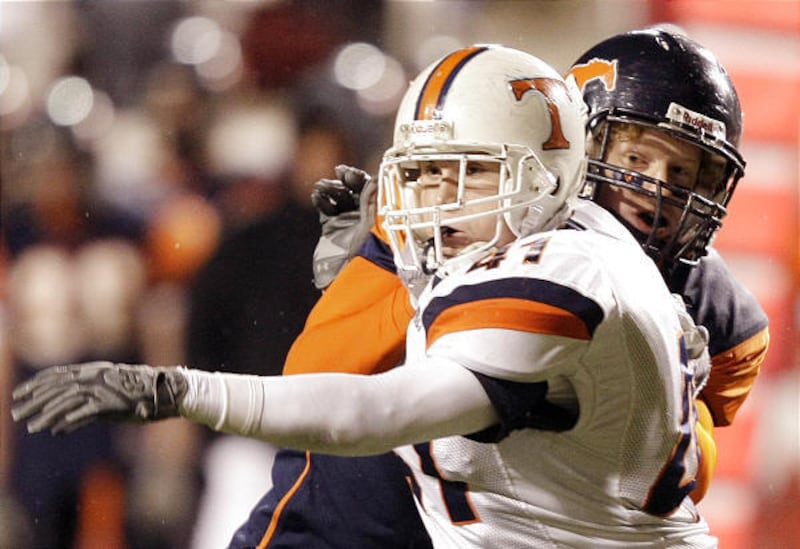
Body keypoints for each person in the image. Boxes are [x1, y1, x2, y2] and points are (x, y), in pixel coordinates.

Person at [13, 44, 715, 548]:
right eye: (426, 171)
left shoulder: (565, 269)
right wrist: (379, 278)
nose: (439, 198)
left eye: (472, 171)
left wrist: (179, 390)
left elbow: (373, 412)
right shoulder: (543, 252)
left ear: (549, 178)